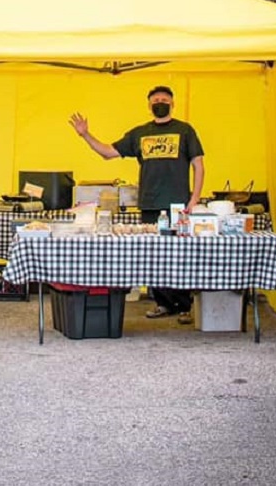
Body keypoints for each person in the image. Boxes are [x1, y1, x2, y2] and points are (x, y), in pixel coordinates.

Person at [69, 85, 204, 324]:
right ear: (149, 105)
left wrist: (194, 200)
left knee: (180, 254)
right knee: (155, 254)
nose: (160, 102)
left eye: (164, 99)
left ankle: (185, 306)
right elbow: (109, 152)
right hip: (150, 203)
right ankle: (162, 303)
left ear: (172, 104)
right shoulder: (140, 133)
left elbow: (198, 165)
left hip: (179, 204)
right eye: (155, 100)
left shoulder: (185, 130)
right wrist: (85, 135)